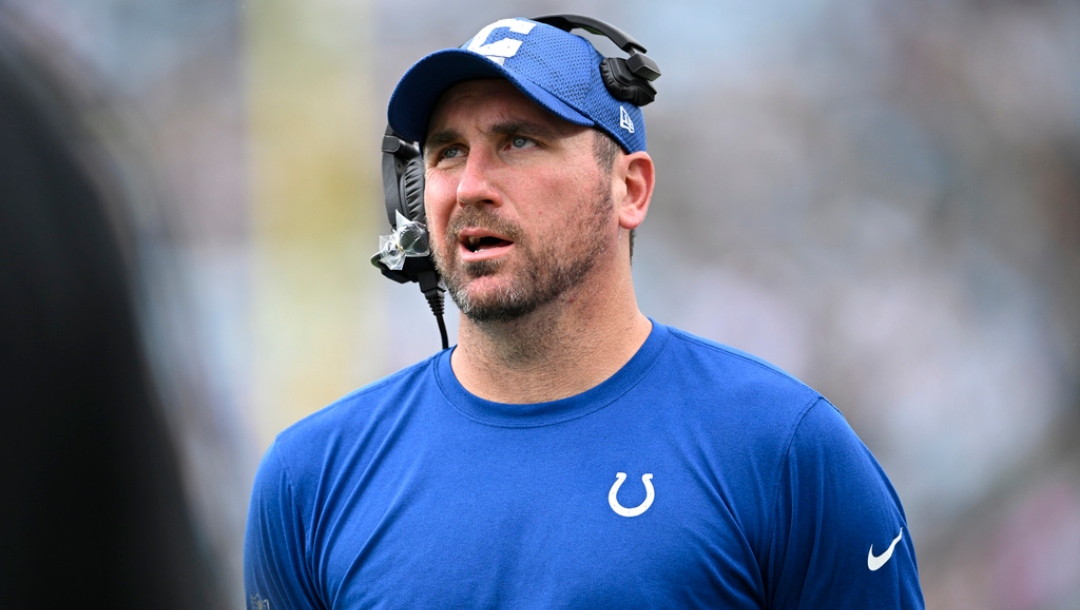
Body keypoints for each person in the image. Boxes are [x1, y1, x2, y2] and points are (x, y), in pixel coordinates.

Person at [244, 15, 924, 609]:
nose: (471, 186)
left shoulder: (784, 451)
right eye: (448, 152)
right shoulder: (311, 478)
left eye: (519, 141)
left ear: (629, 188)